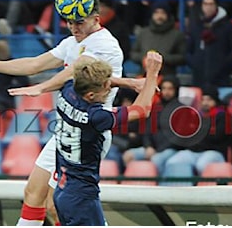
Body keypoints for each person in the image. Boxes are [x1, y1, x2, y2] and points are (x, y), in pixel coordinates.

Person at [0, 0, 144, 226]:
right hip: (66, 131)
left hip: (86, 136)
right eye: (68, 21)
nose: (73, 27)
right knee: (33, 192)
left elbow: (75, 71)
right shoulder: (73, 42)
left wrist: (41, 88)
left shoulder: (105, 45)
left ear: (96, 18)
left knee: (56, 203)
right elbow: (34, 64)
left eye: (79, 21)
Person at [52, 52, 161, 225]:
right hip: (82, 196)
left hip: (63, 189)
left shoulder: (67, 90)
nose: (109, 88)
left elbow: (81, 70)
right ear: (90, 96)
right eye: (105, 87)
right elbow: (142, 109)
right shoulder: (96, 116)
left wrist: (131, 83)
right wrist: (152, 74)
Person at [186, 0, 232, 87]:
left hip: (220, 77)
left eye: (211, 4)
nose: (208, 7)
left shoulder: (227, 26)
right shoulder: (196, 25)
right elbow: (188, 49)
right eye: (205, 4)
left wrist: (223, 64)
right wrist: (194, 63)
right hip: (199, 76)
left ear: (216, 5)